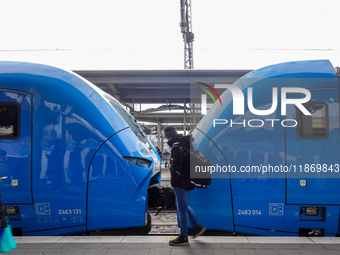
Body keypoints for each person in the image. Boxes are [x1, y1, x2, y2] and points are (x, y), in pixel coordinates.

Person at [163, 125, 206, 246]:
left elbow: (176, 168)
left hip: (181, 183)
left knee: (181, 209)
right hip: (188, 181)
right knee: (183, 205)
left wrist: (174, 183)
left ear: (168, 137)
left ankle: (183, 236)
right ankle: (197, 226)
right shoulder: (184, 144)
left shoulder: (176, 147)